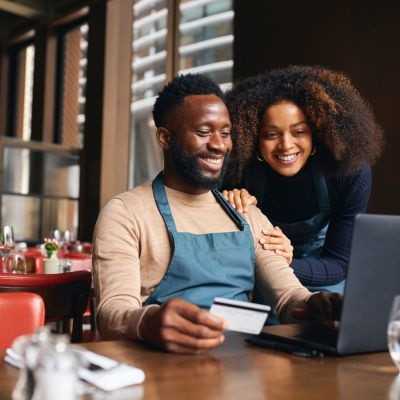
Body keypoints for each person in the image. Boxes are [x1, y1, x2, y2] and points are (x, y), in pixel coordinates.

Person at [93, 73, 341, 354]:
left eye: (225, 133)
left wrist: (316, 305)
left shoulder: (245, 213)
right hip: (160, 367)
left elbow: (287, 299)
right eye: (203, 132)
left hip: (243, 369)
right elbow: (111, 312)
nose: (219, 144)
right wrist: (148, 321)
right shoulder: (126, 213)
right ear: (164, 137)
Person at [222, 65, 384, 293]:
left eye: (299, 132)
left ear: (316, 133)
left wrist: (285, 262)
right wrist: (227, 203)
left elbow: (339, 264)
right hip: (261, 275)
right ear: (253, 138)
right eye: (271, 134)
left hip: (325, 276)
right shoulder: (238, 173)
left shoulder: (349, 174)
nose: (286, 145)